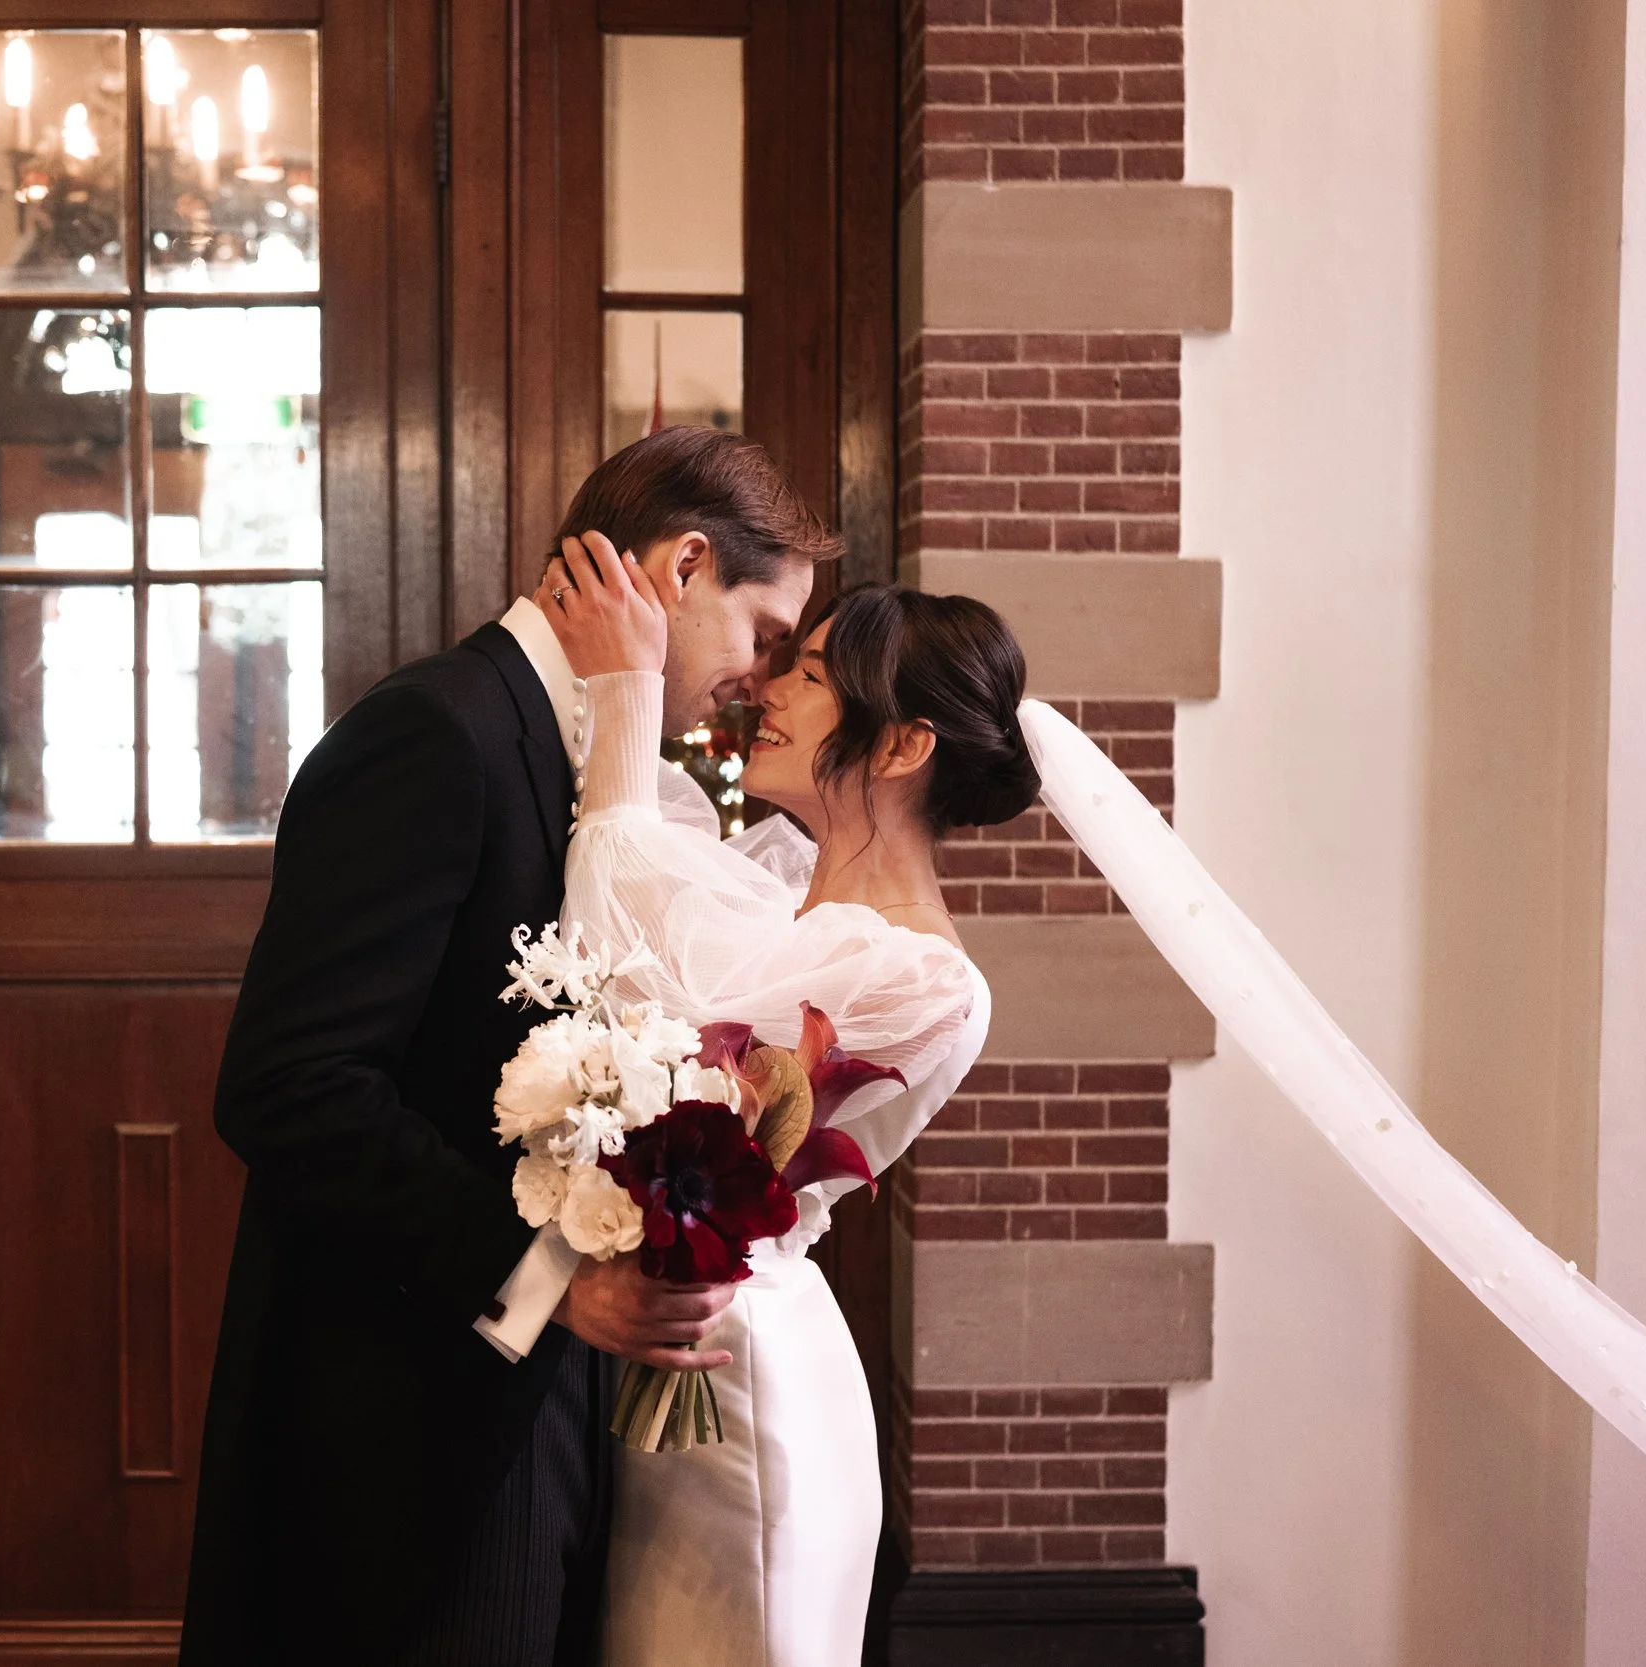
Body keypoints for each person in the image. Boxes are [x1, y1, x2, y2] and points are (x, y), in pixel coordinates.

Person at [182, 426, 837, 1665]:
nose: (759, 677)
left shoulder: (592, 757)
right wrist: (546, 1278)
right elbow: (289, 1087)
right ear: (685, 565)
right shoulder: (437, 732)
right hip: (404, 1409)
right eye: (764, 633)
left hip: (526, 1395)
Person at [528, 535, 1040, 1666]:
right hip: (688, 1349)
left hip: (742, 1371)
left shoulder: (920, 976)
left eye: (812, 674)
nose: (767, 688)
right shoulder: (765, 885)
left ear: (903, 742)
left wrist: (624, 688)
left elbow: (611, 937)